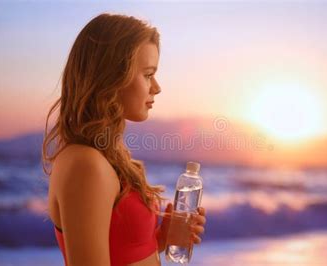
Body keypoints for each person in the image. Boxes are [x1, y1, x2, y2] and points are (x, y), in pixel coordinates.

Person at [42, 13, 206, 266]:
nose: (157, 87)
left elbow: (120, 253)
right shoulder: (86, 164)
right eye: (148, 74)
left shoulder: (106, 157)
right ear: (111, 76)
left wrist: (161, 239)